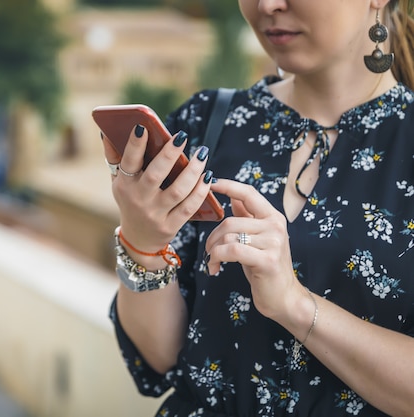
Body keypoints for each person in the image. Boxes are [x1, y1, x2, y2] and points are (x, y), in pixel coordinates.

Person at [100, 1, 414, 416]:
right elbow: (162, 357)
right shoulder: (205, 122)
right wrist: (142, 242)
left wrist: (294, 304)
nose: (268, 4)